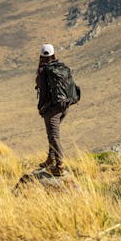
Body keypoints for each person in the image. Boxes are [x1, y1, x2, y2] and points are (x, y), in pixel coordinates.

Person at [35, 43, 71, 176]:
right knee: (51, 133)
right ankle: (51, 159)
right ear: (53, 54)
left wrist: (41, 107)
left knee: (54, 135)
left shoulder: (44, 71)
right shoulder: (60, 67)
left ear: (41, 56)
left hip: (53, 109)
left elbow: (43, 92)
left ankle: (59, 165)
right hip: (64, 106)